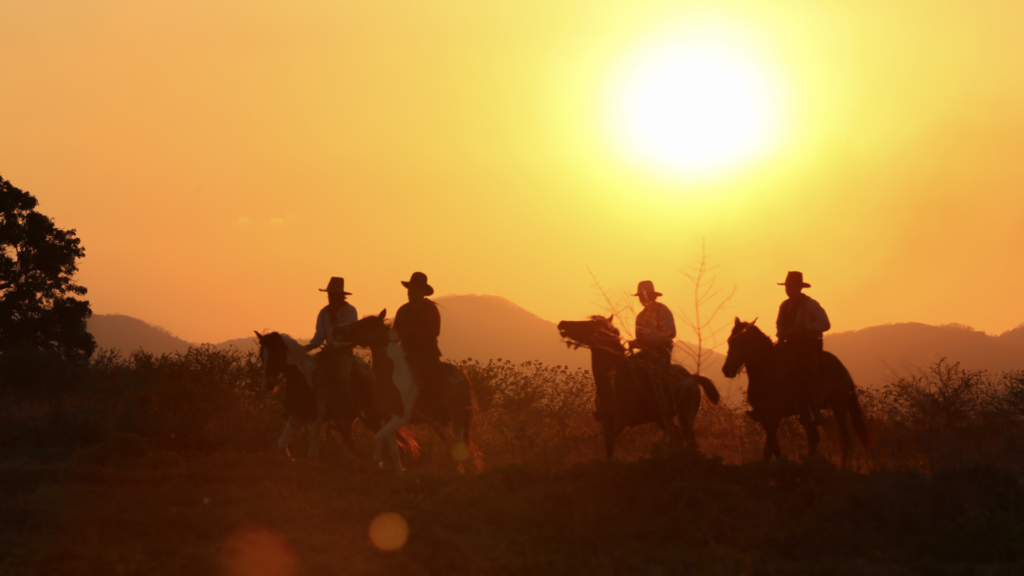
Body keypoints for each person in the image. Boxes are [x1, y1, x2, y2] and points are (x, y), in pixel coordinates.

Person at [775, 271, 831, 423]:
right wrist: (781, 335)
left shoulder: (811, 304)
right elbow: (779, 325)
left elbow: (825, 324)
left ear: (799, 287)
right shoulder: (784, 306)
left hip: (808, 347)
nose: (788, 289)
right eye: (787, 286)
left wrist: (805, 327)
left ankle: (811, 409)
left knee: (804, 371)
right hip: (789, 346)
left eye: (791, 286)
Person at [393, 272, 445, 417]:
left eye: (416, 288)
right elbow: (395, 332)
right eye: (410, 288)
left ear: (423, 291)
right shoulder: (402, 310)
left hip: (426, 351)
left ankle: (437, 410)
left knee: (433, 378)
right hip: (405, 351)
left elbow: (435, 331)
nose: (411, 291)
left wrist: (411, 331)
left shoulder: (430, 308)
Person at [306, 277, 358, 403]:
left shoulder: (350, 311)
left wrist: (335, 345)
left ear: (340, 295)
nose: (329, 296)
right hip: (327, 351)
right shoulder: (324, 312)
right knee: (307, 370)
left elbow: (350, 336)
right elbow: (320, 335)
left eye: (332, 294)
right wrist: (308, 347)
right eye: (329, 294)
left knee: (344, 378)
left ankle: (347, 404)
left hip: (343, 352)